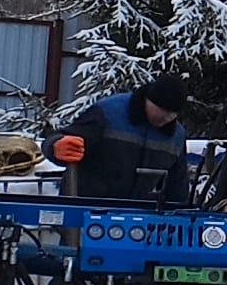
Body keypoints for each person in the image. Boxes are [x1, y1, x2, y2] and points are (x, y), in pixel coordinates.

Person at [52, 75, 191, 206]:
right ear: (148, 100)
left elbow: (178, 185)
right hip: (87, 209)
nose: (165, 117)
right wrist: (56, 146)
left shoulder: (176, 137)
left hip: (136, 218)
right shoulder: (108, 113)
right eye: (161, 109)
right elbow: (65, 138)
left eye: (172, 114)